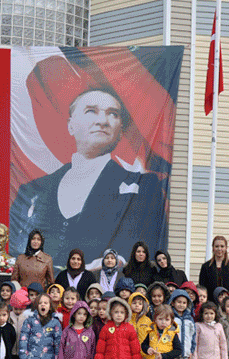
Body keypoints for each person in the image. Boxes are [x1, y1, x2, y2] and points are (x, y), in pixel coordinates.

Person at [9, 88, 167, 266]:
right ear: (71, 125)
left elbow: (150, 244)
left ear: (121, 130)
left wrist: (117, 263)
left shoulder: (144, 187)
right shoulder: (33, 191)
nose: (102, 121)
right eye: (91, 111)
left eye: (113, 114)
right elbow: (16, 245)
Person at [198, 236, 229, 303]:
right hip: (210, 304)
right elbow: (202, 287)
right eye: (217, 246)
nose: (219, 249)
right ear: (213, 248)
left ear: (226, 248)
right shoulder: (206, 267)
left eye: (222, 246)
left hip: (228, 304)